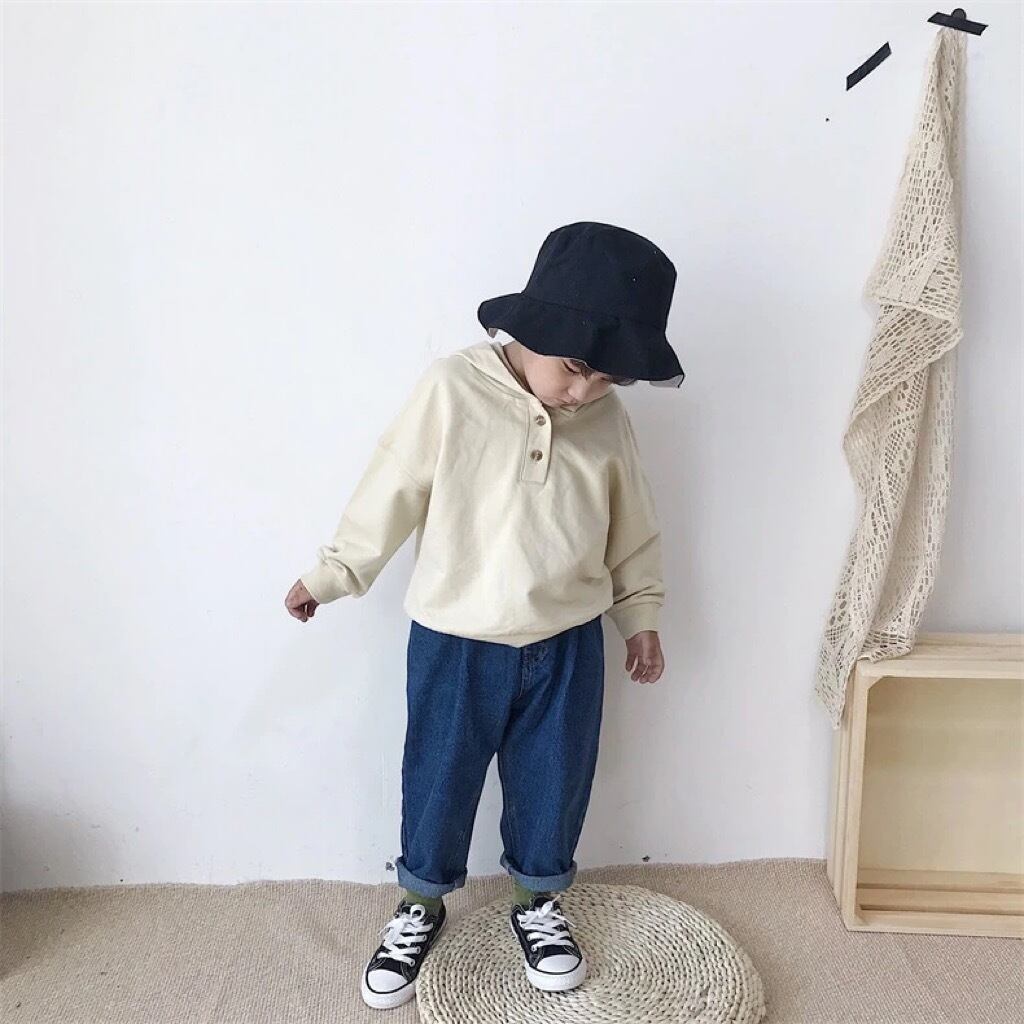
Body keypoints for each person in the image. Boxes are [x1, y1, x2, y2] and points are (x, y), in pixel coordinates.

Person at [284, 221, 685, 1010]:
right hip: (455, 638)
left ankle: (538, 901)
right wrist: (334, 573)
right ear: (531, 330)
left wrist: (640, 615)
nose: (584, 392)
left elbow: (632, 527)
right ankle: (419, 904)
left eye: (608, 379)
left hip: (567, 641)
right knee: (438, 777)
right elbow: (392, 488)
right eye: (576, 368)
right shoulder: (451, 389)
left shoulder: (606, 421)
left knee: (554, 780)